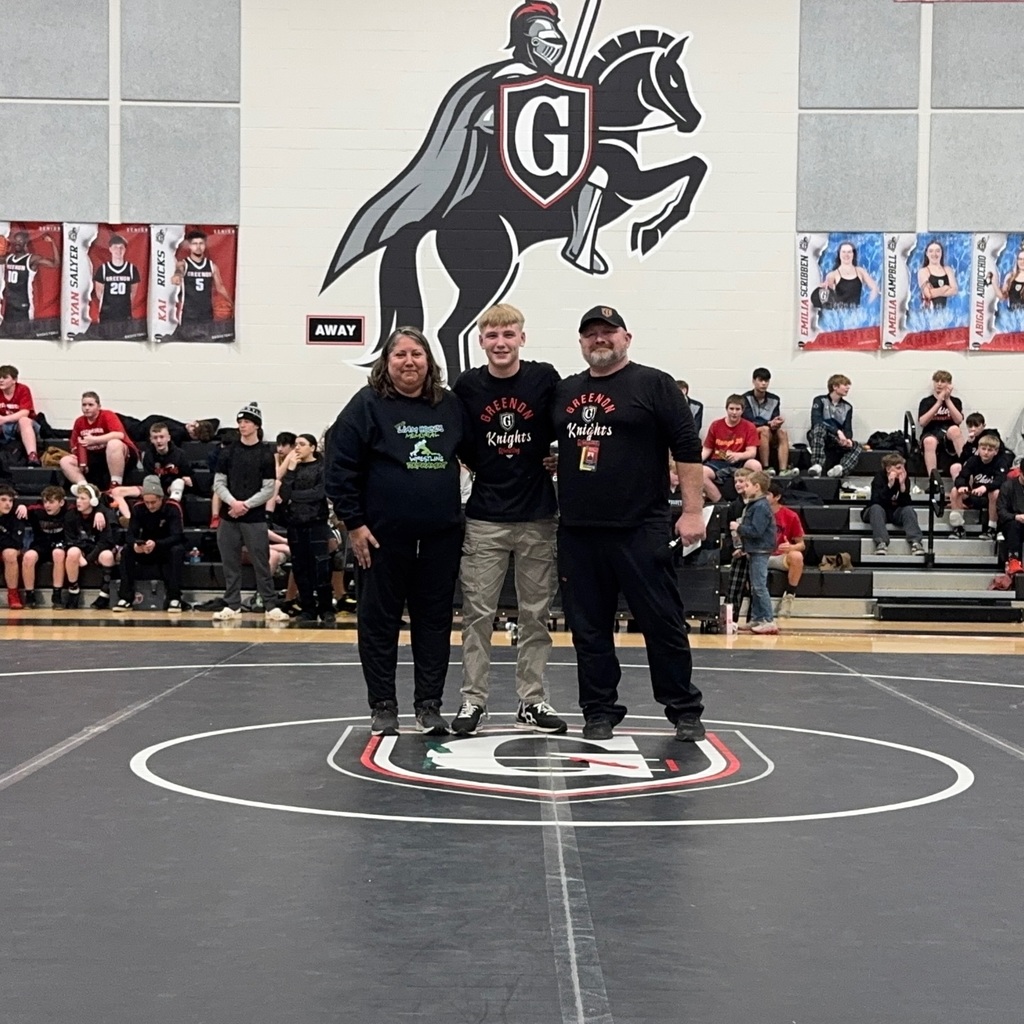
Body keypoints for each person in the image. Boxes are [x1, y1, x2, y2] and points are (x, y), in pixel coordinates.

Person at [553, 304, 706, 741]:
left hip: (641, 527)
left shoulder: (654, 383)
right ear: (581, 342)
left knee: (662, 622)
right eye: (591, 334)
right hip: (579, 531)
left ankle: (683, 709)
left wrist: (692, 511)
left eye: (608, 332)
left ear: (626, 337)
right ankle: (599, 710)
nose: (599, 339)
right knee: (588, 629)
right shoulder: (565, 391)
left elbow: (687, 449)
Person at [326, 327, 467, 737]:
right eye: (400, 355)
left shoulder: (450, 406)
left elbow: (480, 455)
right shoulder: (366, 406)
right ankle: (383, 705)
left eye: (417, 354)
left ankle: (428, 705)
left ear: (429, 361)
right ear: (386, 363)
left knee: (435, 622)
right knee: (378, 622)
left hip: (440, 537)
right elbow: (339, 469)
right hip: (380, 538)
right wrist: (354, 523)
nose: (409, 361)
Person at [450, 302, 566, 736]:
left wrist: (555, 459)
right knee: (478, 614)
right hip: (485, 518)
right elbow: (459, 441)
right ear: (481, 341)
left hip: (537, 515)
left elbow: (565, 426)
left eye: (508, 334)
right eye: (492, 336)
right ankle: (473, 701)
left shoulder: (543, 378)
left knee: (536, 614)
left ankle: (531, 700)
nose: (501, 343)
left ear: (522, 337)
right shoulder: (468, 386)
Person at [211, 402, 288, 622]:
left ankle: (269, 604)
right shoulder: (228, 452)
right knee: (230, 562)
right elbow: (218, 483)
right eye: (240, 422)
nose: (242, 426)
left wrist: (245, 505)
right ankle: (232, 604)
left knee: (261, 562)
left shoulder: (265, 454)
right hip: (230, 516)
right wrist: (233, 502)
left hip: (253, 517)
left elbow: (268, 488)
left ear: (256, 426)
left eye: (246, 422)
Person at [278, 433, 335, 623]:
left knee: (321, 566)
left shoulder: (322, 466)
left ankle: (326, 608)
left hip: (316, 522)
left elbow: (319, 493)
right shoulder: (293, 468)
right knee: (300, 567)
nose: (297, 448)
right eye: (295, 444)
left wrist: (295, 495)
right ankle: (307, 608)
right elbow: (284, 495)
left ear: (312, 447)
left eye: (302, 444)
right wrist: (291, 471)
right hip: (295, 523)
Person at [113, 476, 185, 613]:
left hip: (165, 547)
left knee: (177, 550)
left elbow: (177, 536)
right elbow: (130, 534)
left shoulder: (173, 507)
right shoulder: (138, 508)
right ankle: (126, 597)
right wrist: (135, 544)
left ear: (161, 498)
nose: (150, 506)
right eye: (147, 502)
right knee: (127, 551)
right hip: (145, 548)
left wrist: (157, 544)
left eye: (153, 502)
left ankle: (174, 598)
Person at [110, 421, 191, 522]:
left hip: (169, 488)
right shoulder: (148, 455)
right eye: (155, 438)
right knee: (116, 491)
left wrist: (186, 480)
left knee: (179, 482)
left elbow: (188, 476)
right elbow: (148, 478)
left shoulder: (180, 454)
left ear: (168, 438)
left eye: (161, 437)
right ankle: (129, 519)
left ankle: (172, 513)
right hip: (151, 487)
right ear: (151, 439)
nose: (159, 441)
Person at [59, 391, 137, 490]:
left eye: (90, 405)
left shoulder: (107, 415)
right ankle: (84, 488)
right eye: (84, 405)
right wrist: (83, 462)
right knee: (65, 461)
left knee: (114, 443)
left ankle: (115, 484)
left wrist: (94, 440)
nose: (86, 408)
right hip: (94, 458)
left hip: (119, 455)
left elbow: (119, 435)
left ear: (99, 406)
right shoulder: (79, 422)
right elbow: (75, 445)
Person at [735, 470, 777, 634]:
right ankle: (757, 618)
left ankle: (768, 620)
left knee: (759, 586)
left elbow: (756, 530)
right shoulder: (756, 504)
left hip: (760, 549)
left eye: (747, 485)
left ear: (757, 487)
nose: (744, 488)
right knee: (755, 586)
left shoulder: (760, 506)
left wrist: (738, 527)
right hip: (755, 549)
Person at [170, 230, 233, 340]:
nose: (198, 247)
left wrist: (232, 303)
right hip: (188, 314)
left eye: (201, 243)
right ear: (190, 246)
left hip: (206, 314)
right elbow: (179, 271)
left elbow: (220, 287)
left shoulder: (212, 266)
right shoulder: (184, 264)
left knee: (206, 345)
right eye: (195, 244)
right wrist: (177, 276)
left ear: (205, 245)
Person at [63, 482, 116, 609]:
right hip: (80, 548)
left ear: (92, 501)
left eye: (82, 498)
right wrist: (81, 554)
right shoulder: (71, 515)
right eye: (78, 498)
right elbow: (69, 539)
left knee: (108, 555)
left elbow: (105, 542)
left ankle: (104, 594)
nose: (78, 501)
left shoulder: (104, 514)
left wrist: (88, 559)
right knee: (72, 552)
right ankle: (73, 591)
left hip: (96, 549)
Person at [701, 395, 761, 502]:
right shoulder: (716, 425)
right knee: (701, 472)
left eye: (737, 409)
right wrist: (695, 461)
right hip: (718, 461)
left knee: (755, 465)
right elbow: (707, 449)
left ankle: (751, 500)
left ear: (742, 410)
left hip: (740, 461)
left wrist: (738, 456)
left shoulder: (749, 426)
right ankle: (720, 502)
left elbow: (752, 452)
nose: (734, 412)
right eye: (731, 409)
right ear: (726, 409)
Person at [0, 230, 60, 335]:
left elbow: (55, 263)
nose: (17, 244)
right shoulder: (9, 258)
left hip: (24, 307)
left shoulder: (31, 259)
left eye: (20, 241)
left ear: (26, 243)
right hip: (10, 306)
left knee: (24, 336)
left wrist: (53, 243)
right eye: (16, 241)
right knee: (6, 336)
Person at [949, 432, 1006, 540]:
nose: (986, 453)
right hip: (974, 495)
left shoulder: (1001, 462)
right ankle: (958, 527)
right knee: (954, 491)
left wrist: (986, 487)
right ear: (978, 449)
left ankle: (992, 528)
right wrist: (962, 486)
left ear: (996, 452)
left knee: (996, 493)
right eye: (983, 449)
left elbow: (1001, 480)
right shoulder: (973, 460)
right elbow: (961, 477)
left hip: (989, 498)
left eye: (989, 450)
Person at [18, 485, 68, 608]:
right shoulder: (37, 511)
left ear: (61, 502)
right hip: (41, 544)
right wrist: (21, 506)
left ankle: (57, 595)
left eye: (51, 502)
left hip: (60, 545)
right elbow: (18, 508)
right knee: (28, 556)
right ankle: (29, 595)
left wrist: (99, 513)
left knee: (58, 553)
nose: (47, 505)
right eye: (45, 502)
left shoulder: (69, 512)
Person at [865, 453, 925, 556]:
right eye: (898, 468)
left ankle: (916, 542)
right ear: (889, 469)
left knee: (908, 510)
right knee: (876, 509)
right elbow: (876, 501)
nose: (902, 471)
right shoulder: (879, 478)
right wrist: (889, 486)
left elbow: (906, 504)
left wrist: (902, 487)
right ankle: (881, 542)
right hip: (879, 511)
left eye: (903, 468)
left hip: (895, 511)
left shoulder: (904, 479)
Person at [741, 367, 797, 477]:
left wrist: (776, 423)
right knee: (764, 429)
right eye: (760, 380)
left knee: (783, 432)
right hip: (752, 433)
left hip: (769, 431)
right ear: (753, 381)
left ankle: (783, 470)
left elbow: (774, 419)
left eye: (766, 381)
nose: (763, 383)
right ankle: (766, 467)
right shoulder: (745, 398)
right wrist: (768, 423)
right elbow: (749, 421)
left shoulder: (775, 399)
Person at [807, 374, 862, 478]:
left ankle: (840, 469)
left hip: (836, 439)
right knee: (819, 428)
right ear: (835, 387)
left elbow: (848, 428)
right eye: (845, 385)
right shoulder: (820, 400)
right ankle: (817, 465)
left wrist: (848, 439)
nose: (848, 388)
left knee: (857, 446)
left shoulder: (848, 407)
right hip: (821, 434)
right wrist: (837, 431)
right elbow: (816, 420)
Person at [90, 234, 143, 338]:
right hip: (107, 315)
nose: (118, 251)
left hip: (124, 315)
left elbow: (133, 293)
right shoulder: (103, 269)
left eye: (121, 248)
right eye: (115, 247)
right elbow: (99, 293)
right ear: (110, 249)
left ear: (125, 249)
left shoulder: (132, 269)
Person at [766, 482, 805, 616]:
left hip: (779, 556)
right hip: (760, 554)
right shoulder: (755, 511)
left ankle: (789, 596)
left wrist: (791, 547)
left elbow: (801, 544)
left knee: (797, 556)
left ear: (777, 497)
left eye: (767, 494)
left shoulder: (790, 515)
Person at [917, 370, 964, 476]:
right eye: (936, 381)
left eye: (943, 381)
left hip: (948, 432)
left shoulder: (956, 401)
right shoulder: (926, 401)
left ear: (949, 384)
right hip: (931, 431)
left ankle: (966, 469)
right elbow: (922, 422)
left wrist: (947, 400)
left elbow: (958, 420)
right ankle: (933, 479)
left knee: (955, 430)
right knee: (929, 441)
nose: (939, 384)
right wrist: (938, 402)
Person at [0, 364, 41, 465]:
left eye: (5, 378)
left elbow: (25, 412)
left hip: (24, 425)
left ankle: (32, 455)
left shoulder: (23, 389)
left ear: (14, 380)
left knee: (24, 420)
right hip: (4, 426)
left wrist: (4, 419)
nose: (1, 380)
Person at [822, 241, 880, 307]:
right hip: (839, 314)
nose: (846, 255)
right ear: (839, 254)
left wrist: (867, 306)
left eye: (849, 252)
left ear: (853, 254)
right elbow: (825, 299)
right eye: (843, 252)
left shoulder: (860, 272)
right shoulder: (832, 275)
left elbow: (874, 288)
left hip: (856, 315)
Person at [0, 484, 28, 609]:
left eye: (10, 500)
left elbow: (16, 542)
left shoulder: (16, 515)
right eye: (3, 500)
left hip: (10, 549)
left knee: (10, 553)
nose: (8, 504)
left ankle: (13, 594)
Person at [996, 470, 1024, 577]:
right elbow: (1001, 511)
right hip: (1010, 522)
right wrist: (1016, 516)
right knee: (1014, 525)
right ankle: (1014, 559)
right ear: (1020, 473)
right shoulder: (1008, 486)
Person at [918, 240, 958, 310]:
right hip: (928, 314)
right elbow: (928, 294)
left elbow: (954, 290)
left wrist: (935, 291)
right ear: (927, 254)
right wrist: (945, 288)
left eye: (937, 251)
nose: (934, 254)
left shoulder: (948, 270)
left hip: (944, 314)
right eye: (931, 251)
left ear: (941, 253)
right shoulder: (923, 271)